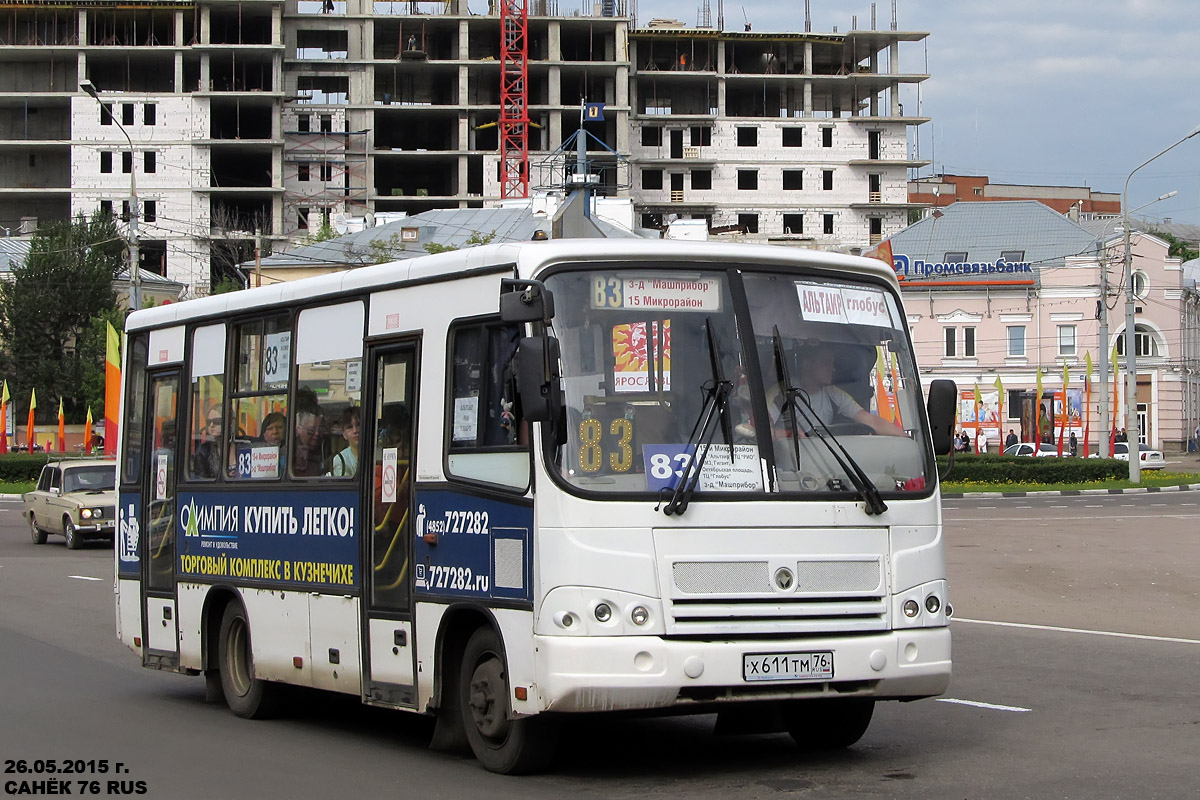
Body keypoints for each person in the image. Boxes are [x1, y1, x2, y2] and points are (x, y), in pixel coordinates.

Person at [776, 343, 905, 438]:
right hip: (785, 466)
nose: (832, 369)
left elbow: (871, 421)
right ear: (807, 364)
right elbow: (757, 430)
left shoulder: (832, 393)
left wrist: (905, 438)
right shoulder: (782, 391)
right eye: (826, 363)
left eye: (833, 363)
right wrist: (789, 435)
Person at [191, 408, 223, 479]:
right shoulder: (203, 450)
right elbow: (201, 479)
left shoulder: (238, 446)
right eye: (208, 422)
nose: (211, 425)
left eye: (216, 421)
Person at [292, 408, 326, 476]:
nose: (317, 434)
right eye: (311, 430)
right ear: (299, 429)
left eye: (320, 430)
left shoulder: (325, 449)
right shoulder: (291, 453)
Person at [331, 406, 360, 477]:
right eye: (349, 427)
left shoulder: (377, 455)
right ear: (344, 434)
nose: (355, 430)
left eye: (358, 425)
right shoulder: (341, 459)